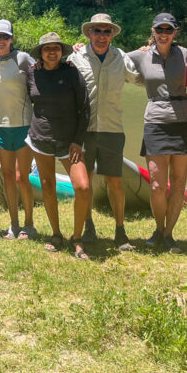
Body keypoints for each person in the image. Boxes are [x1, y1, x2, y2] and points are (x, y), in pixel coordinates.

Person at [125, 13, 187, 253]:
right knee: (157, 184)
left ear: (175, 32)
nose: (164, 34)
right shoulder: (141, 55)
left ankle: (169, 234)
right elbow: (110, 61)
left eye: (168, 30)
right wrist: (80, 50)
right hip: (156, 121)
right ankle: (158, 228)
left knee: (178, 183)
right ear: (153, 31)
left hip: (185, 121)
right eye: (160, 30)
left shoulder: (185, 54)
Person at [68, 13, 140, 251]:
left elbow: (141, 78)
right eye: (97, 31)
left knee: (115, 181)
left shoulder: (121, 57)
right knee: (85, 181)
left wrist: (151, 52)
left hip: (112, 129)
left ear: (112, 35)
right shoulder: (75, 57)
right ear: (88, 33)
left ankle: (120, 231)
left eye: (106, 31)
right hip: (83, 131)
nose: (101, 36)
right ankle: (88, 226)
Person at [26, 32, 91, 259]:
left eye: (56, 48)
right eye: (47, 48)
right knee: (48, 188)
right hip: (40, 139)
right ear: (41, 53)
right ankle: (55, 234)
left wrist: (77, 141)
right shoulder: (32, 73)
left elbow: (85, 108)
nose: (51, 52)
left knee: (83, 187)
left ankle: (77, 237)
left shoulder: (71, 72)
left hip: (69, 141)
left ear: (61, 52)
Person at [0, 19, 37, 240]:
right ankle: (14, 224)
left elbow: (42, 75)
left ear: (12, 39)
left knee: (21, 177)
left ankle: (29, 224)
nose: (1, 41)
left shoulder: (23, 58)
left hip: (24, 124)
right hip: (1, 126)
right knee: (7, 175)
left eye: (5, 37)